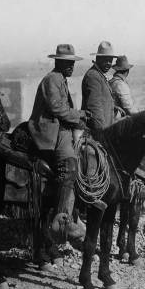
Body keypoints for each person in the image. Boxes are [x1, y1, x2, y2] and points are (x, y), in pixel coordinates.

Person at [28, 44, 89, 259]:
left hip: (61, 127)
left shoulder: (61, 79)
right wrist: (80, 114)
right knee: (70, 165)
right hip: (50, 129)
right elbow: (57, 109)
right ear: (58, 62)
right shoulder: (52, 79)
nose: (71, 66)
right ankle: (63, 219)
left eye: (72, 62)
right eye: (67, 63)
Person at [81, 41, 118, 131]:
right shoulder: (93, 76)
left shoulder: (99, 75)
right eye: (105, 59)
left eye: (110, 60)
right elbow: (94, 108)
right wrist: (103, 134)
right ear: (97, 58)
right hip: (98, 132)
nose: (109, 63)